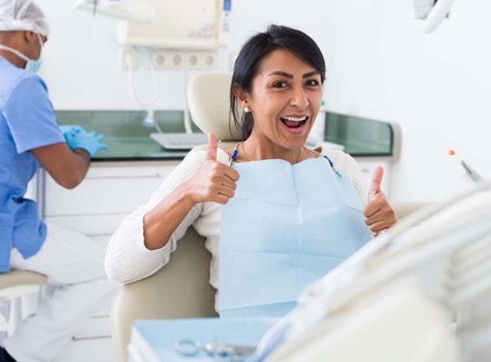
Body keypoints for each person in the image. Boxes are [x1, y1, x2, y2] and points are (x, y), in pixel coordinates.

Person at [105, 24, 397, 318]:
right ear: (244, 96)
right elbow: (120, 266)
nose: (300, 100)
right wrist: (186, 193)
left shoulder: (340, 167)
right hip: (254, 345)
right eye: (280, 85)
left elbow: (383, 276)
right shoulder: (211, 166)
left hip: (343, 337)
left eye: (311, 83)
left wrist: (387, 232)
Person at [0, 0, 117, 362]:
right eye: (43, 41)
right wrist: (84, 150)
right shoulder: (22, 85)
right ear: (30, 34)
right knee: (104, 270)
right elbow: (68, 175)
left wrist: (51, 135)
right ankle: (14, 355)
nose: (42, 51)